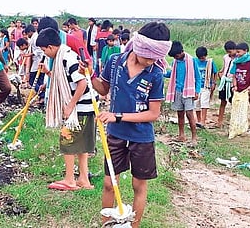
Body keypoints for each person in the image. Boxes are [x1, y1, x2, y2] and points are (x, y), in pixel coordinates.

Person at [90, 22, 172, 228]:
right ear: (138, 47)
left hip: (141, 137)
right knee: (109, 183)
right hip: (116, 134)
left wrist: (117, 116)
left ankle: (133, 225)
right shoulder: (115, 61)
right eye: (148, 56)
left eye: (156, 58)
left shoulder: (155, 74)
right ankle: (106, 224)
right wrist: (89, 74)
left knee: (138, 185)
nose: (152, 61)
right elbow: (102, 89)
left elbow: (153, 114)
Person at [36, 28, 95, 191]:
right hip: (86, 106)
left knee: (68, 141)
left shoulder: (67, 58)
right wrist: (48, 73)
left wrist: (70, 106)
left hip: (80, 106)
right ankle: (83, 179)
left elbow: (82, 82)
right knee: (82, 145)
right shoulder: (63, 57)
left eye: (43, 50)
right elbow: (65, 80)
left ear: (50, 47)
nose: (45, 54)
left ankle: (69, 179)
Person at [165, 41, 201, 146]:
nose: (176, 58)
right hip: (178, 91)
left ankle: (194, 137)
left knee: (190, 114)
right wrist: (162, 73)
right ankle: (181, 135)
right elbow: (171, 74)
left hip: (189, 91)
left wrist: (197, 91)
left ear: (181, 52)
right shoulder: (175, 63)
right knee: (180, 114)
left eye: (176, 56)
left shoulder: (192, 61)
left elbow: (198, 77)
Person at [229, 42, 250, 139]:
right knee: (237, 109)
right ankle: (237, 128)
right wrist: (234, 86)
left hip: (248, 89)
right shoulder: (236, 62)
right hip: (238, 89)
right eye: (237, 52)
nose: (237, 54)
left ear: (246, 51)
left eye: (239, 52)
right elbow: (234, 75)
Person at [193, 46, 217, 128]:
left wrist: (213, 83)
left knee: (204, 103)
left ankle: (203, 121)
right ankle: (198, 120)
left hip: (206, 86)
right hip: (196, 86)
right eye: (200, 58)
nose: (202, 59)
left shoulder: (210, 62)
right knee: (197, 104)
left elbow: (214, 73)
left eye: (203, 58)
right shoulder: (194, 61)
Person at [216, 40, 236, 128]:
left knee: (234, 102)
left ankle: (234, 122)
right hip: (224, 81)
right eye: (228, 52)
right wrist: (220, 73)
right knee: (223, 102)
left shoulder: (238, 59)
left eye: (231, 51)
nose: (229, 53)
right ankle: (219, 121)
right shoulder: (225, 57)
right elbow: (224, 68)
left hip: (232, 83)